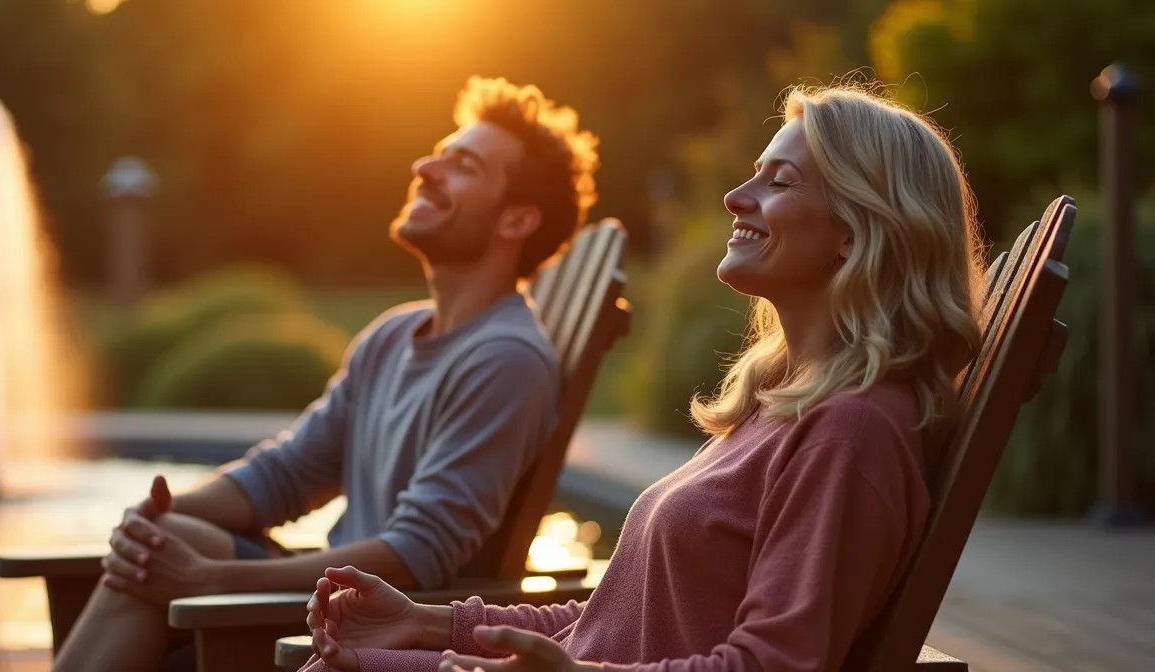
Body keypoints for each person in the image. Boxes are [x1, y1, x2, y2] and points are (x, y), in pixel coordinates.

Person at [298, 83, 986, 672]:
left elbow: (772, 665)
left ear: (855, 228)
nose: (735, 196)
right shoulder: (779, 409)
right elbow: (620, 618)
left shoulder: (850, 433)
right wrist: (428, 624)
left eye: (778, 182)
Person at [52, 75, 601, 672]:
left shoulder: (505, 360)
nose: (426, 167)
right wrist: (153, 511)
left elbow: (417, 554)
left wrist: (212, 577)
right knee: (164, 538)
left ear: (516, 221)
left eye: (462, 165)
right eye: (438, 153)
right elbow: (285, 475)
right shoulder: (393, 336)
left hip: (358, 631)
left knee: (166, 551)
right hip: (314, 606)